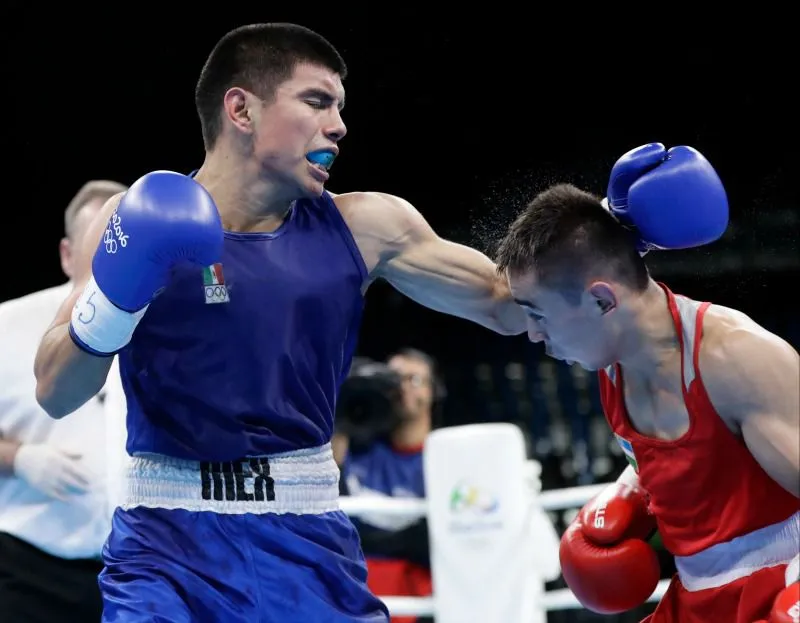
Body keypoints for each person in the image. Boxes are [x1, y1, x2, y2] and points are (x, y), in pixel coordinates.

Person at [32, 23, 530, 623]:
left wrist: (611, 232)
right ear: (240, 108)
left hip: (308, 544)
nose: (339, 125)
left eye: (340, 108)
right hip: (166, 551)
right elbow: (56, 392)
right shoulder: (132, 219)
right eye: (317, 101)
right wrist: (117, 301)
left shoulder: (367, 227)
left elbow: (506, 303)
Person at [495, 143, 800, 623]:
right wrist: (629, 492)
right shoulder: (609, 364)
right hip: (693, 598)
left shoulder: (736, 359)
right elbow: (686, 460)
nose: (533, 333)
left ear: (601, 300)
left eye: (538, 314)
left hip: (778, 586)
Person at [0, 179, 128, 622]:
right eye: (94, 256)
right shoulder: (6, 326)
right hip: (32, 572)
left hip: (147, 569)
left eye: (116, 253)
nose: (107, 270)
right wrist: (18, 457)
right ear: (67, 255)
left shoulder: (170, 331)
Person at [340, 348, 444, 623]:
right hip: (356, 593)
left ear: (432, 392)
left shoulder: (446, 458)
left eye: (414, 380)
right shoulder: (355, 449)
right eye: (393, 380)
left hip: (420, 601)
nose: (402, 389)